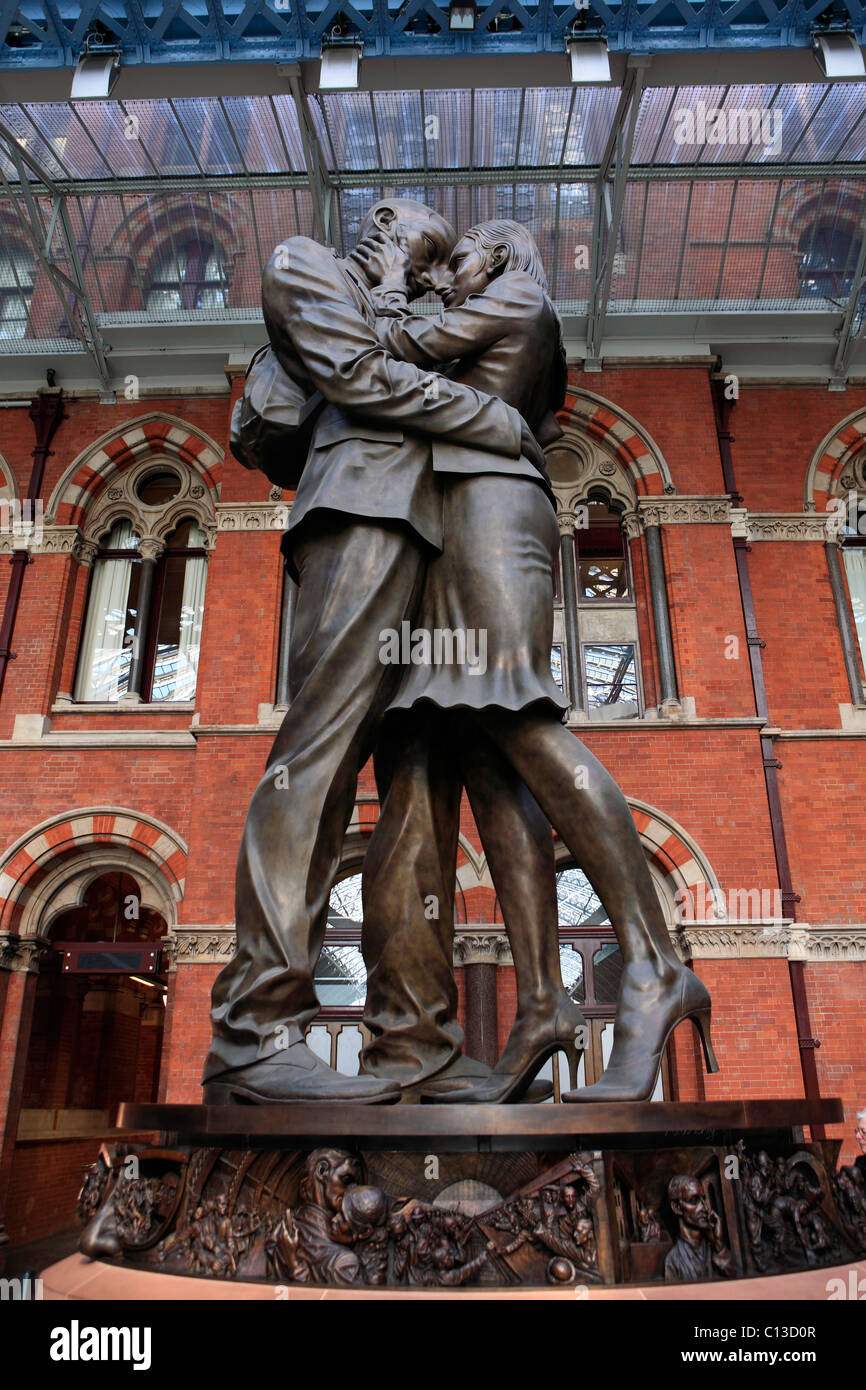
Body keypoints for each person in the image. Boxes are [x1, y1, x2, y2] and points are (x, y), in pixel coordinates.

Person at [202, 199, 563, 1104]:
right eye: (408, 236)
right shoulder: (307, 265)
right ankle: (253, 1030)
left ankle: (415, 1045)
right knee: (317, 754)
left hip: (443, 540)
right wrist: (493, 423)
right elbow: (358, 378)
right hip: (360, 514)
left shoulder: (422, 312)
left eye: (432, 251)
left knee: (423, 793)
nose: (409, 253)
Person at [356, 220, 718, 1103]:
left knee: (517, 717)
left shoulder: (518, 296)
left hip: (489, 517)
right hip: (463, 521)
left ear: (505, 255)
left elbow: (393, 349)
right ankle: (546, 1003)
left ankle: (652, 965)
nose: (455, 265)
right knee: (485, 748)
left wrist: (398, 280)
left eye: (467, 251)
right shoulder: (501, 317)